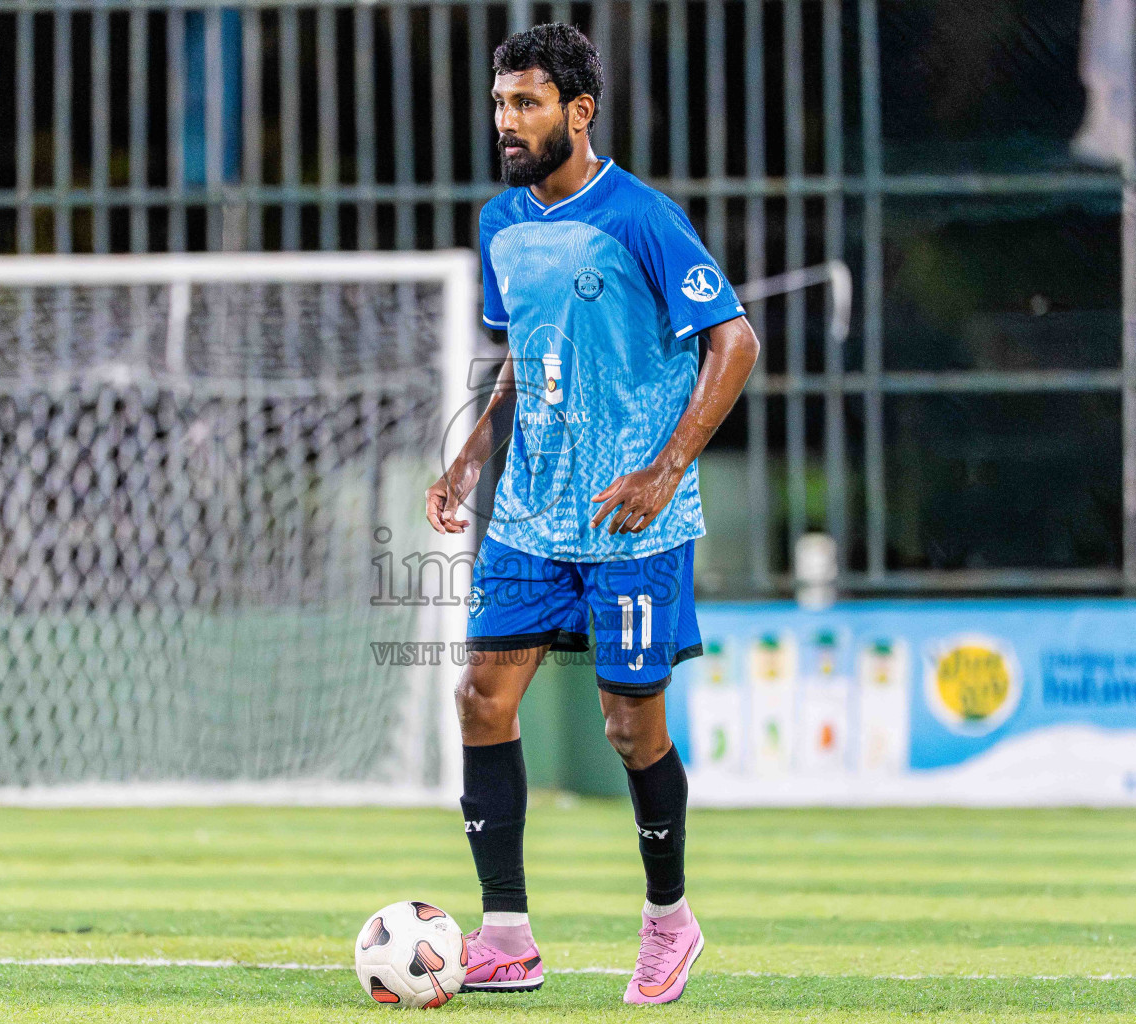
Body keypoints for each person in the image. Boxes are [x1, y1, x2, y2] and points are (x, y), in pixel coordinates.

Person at [424, 23, 760, 1006]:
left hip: (633, 524)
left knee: (628, 727)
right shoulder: (501, 223)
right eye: (500, 103)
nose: (508, 122)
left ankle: (669, 919)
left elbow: (733, 343)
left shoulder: (643, 218)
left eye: (527, 103)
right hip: (531, 515)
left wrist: (664, 468)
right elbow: (527, 352)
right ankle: (505, 934)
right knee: (480, 699)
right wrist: (473, 451)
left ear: (580, 111)